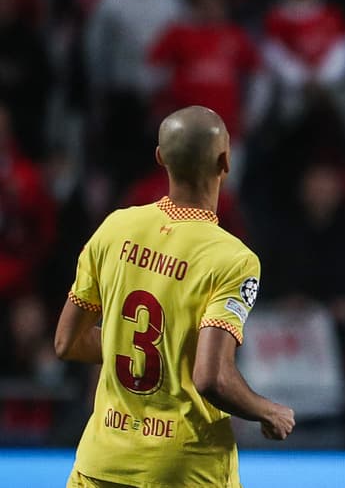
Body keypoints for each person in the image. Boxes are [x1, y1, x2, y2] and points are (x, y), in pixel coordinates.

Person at [55, 106, 294, 488]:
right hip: (185, 470)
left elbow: (67, 342)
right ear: (225, 161)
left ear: (160, 158)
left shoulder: (115, 228)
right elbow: (211, 377)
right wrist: (267, 410)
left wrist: (131, 344)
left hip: (101, 463)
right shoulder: (232, 259)